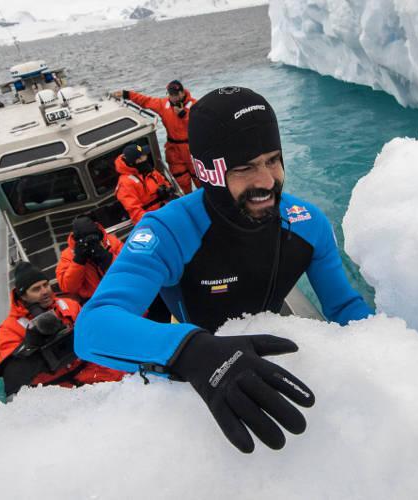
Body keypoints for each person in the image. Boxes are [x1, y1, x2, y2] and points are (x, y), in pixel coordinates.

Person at [75, 87, 374, 453]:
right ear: (207, 172)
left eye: (273, 160)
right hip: (198, 370)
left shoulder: (307, 223)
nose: (266, 181)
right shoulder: (168, 230)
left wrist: (392, 348)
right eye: (244, 168)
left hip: (268, 346)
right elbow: (93, 327)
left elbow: (344, 308)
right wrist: (191, 351)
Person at [0, 262, 125, 397]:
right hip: (54, 390)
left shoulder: (70, 306)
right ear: (23, 296)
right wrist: (30, 346)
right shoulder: (9, 330)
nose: (44, 291)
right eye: (36, 289)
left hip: (90, 370)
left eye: (46, 285)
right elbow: (13, 375)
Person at [111, 80, 198, 193]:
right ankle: (188, 199)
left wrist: (183, 115)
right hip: (174, 149)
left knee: (200, 176)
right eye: (171, 94)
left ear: (182, 92)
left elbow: (202, 123)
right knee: (180, 178)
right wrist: (127, 94)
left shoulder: (195, 105)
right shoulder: (163, 104)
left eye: (176, 94)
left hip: (191, 147)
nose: (173, 97)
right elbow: (145, 101)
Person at [56, 215, 123, 302]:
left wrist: (107, 258)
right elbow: (68, 288)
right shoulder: (68, 255)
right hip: (95, 301)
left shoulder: (112, 242)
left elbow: (131, 268)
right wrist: (79, 261)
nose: (90, 242)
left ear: (98, 233)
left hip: (120, 290)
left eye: (93, 237)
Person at [114, 143, 177, 224]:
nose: (146, 156)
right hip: (154, 219)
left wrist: (169, 192)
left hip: (167, 209)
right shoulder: (125, 184)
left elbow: (165, 183)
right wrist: (154, 222)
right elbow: (135, 212)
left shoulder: (149, 170)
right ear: (137, 160)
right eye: (144, 155)